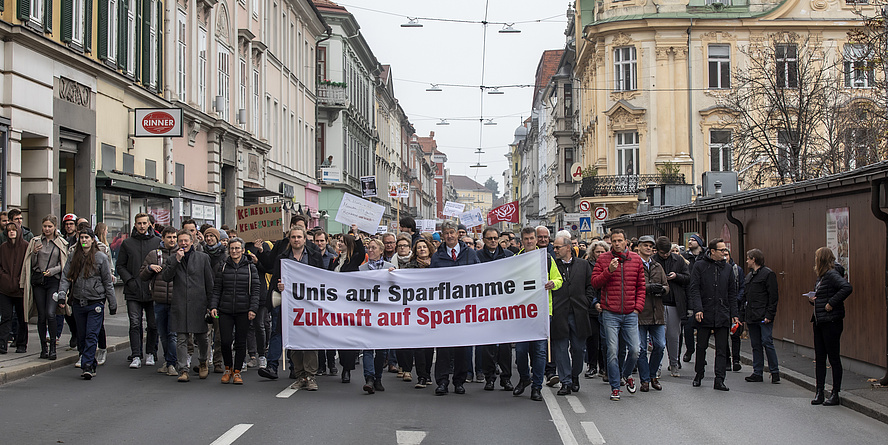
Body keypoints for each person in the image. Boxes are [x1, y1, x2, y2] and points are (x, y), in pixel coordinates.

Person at [591, 228, 645, 401]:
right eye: (613, 241)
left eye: (620, 241)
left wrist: (637, 308)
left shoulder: (636, 259)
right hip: (610, 313)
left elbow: (641, 286)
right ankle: (615, 387)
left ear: (626, 242)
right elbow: (595, 283)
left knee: (636, 350)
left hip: (630, 313)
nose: (616, 244)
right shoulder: (603, 259)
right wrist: (609, 270)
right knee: (612, 351)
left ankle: (626, 374)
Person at [57, 229, 117, 379]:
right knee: (82, 335)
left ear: (92, 240)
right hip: (78, 301)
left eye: (87, 237)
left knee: (91, 334)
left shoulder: (101, 257)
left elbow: (107, 282)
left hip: (95, 301)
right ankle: (87, 359)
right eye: (81, 237)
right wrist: (62, 295)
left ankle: (88, 365)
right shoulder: (73, 257)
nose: (84, 240)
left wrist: (112, 302)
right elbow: (65, 277)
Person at [430, 220, 480, 396]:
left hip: (464, 310)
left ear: (458, 234)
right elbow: (431, 282)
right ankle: (442, 382)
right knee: (443, 348)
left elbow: (479, 278)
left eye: (452, 232)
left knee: (462, 348)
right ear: (442, 235)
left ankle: (459, 381)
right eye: (446, 233)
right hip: (444, 311)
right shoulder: (437, 256)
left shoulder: (470, 254)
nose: (450, 236)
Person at [511, 227, 561, 401]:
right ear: (521, 241)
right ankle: (525, 378)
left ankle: (537, 387)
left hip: (541, 311)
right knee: (521, 351)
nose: (530, 241)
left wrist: (552, 283)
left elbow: (559, 279)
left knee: (540, 352)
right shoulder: (515, 260)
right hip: (521, 313)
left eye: (532, 238)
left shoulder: (546, 258)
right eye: (526, 239)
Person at [272, 227, 324, 390]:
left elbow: (322, 278)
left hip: (309, 305)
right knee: (294, 343)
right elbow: (274, 279)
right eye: (293, 237)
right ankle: (300, 375)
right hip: (290, 307)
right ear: (290, 240)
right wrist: (279, 286)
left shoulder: (314, 256)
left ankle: (310, 376)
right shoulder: (282, 258)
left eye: (299, 237)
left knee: (309, 342)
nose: (296, 240)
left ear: (304, 239)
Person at [161, 229, 215, 382]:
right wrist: (176, 261)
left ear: (192, 242)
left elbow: (209, 282)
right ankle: (183, 369)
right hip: (180, 303)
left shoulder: (203, 258)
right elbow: (166, 277)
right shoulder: (173, 259)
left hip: (199, 303)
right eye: (181, 241)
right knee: (182, 339)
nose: (183, 244)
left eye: (186, 241)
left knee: (202, 337)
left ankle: (203, 362)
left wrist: (211, 305)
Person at [688, 238, 739, 391]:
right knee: (701, 346)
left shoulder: (727, 268)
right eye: (722, 250)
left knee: (722, 349)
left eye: (725, 250)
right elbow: (694, 289)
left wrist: (734, 314)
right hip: (705, 312)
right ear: (712, 251)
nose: (725, 252)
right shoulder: (700, 266)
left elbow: (732, 292)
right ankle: (699, 374)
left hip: (722, 312)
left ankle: (720, 379)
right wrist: (698, 308)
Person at [210, 237, 260, 385]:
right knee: (225, 341)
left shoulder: (251, 268)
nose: (234, 251)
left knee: (240, 342)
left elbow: (256, 290)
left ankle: (237, 371)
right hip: (225, 310)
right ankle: (228, 368)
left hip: (244, 310)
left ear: (243, 250)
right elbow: (217, 288)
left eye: (237, 248)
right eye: (232, 248)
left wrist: (253, 308)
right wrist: (213, 306)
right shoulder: (223, 266)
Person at [551, 231, 594, 395]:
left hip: (579, 313)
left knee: (578, 349)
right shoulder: (553, 265)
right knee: (561, 349)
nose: (555, 250)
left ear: (568, 248)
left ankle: (575, 375)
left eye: (557, 247)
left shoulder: (583, 265)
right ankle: (566, 381)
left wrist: (586, 302)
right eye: (554, 247)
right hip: (559, 313)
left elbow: (590, 286)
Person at [21, 215, 69, 360]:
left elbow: (65, 263)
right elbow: (30, 263)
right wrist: (35, 253)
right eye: (45, 226)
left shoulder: (61, 242)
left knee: (50, 313)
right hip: (39, 281)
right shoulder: (35, 241)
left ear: (55, 227)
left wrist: (53, 271)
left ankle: (53, 347)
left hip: (53, 281)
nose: (47, 229)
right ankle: (44, 348)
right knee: (41, 316)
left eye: (50, 226)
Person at [808, 247, 852, 406]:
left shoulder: (832, 274)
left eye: (816, 257)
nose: (815, 260)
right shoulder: (821, 276)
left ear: (822, 259)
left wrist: (831, 303)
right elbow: (821, 293)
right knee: (820, 358)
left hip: (831, 321)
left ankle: (835, 393)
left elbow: (847, 288)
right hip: (819, 320)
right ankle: (819, 391)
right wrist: (813, 299)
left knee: (833, 357)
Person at [116, 213, 159, 369]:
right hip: (133, 290)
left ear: (149, 224)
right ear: (135, 224)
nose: (141, 226)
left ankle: (150, 353)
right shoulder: (127, 243)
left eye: (144, 223)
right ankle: (136, 355)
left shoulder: (157, 242)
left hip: (152, 290)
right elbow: (120, 265)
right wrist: (129, 280)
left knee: (153, 324)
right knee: (135, 324)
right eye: (139, 223)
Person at [477, 227, 515, 391]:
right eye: (489, 238)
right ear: (484, 239)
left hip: (504, 306)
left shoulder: (508, 256)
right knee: (487, 346)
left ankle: (506, 378)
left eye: (495, 238)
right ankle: (489, 377)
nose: (493, 241)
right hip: (485, 306)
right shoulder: (476, 257)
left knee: (505, 346)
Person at [325, 230, 365, 384]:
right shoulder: (334, 262)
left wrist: (356, 235)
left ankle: (347, 369)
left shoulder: (353, 260)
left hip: (349, 305)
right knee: (334, 336)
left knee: (346, 338)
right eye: (339, 240)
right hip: (335, 305)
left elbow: (361, 252)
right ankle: (332, 364)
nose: (339, 243)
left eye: (342, 241)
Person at [139, 226, 180, 376]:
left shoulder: (180, 254)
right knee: (162, 333)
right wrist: (149, 268)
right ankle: (168, 361)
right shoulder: (154, 254)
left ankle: (172, 363)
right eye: (169, 237)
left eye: (174, 237)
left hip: (176, 300)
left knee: (172, 334)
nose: (172, 240)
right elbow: (142, 275)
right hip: (159, 299)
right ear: (162, 238)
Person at [357, 238, 396, 393]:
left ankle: (378, 378)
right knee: (367, 347)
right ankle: (369, 378)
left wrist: (394, 276)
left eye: (373, 248)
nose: (370, 250)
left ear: (381, 251)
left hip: (384, 314)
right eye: (368, 248)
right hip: (367, 312)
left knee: (382, 350)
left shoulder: (390, 268)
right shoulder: (361, 269)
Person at [635, 236, 669, 392]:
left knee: (660, 345)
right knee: (641, 348)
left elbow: (666, 286)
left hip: (657, 312)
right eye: (645, 246)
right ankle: (645, 379)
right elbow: (631, 286)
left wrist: (662, 289)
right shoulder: (634, 264)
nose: (648, 248)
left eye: (651, 246)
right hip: (641, 312)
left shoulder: (657, 266)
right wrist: (648, 288)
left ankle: (652, 374)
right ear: (639, 247)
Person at [742, 248, 781, 384]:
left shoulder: (768, 274)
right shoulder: (750, 276)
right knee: (756, 344)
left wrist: (770, 314)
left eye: (748, 258)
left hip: (763, 315)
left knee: (766, 342)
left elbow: (773, 296)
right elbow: (746, 297)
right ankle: (757, 372)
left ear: (754, 259)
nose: (747, 261)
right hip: (752, 315)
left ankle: (774, 371)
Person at [654, 236, 690, 378]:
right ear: (658, 251)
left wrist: (677, 276)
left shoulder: (678, 260)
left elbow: (688, 278)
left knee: (674, 336)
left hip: (675, 302)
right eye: (663, 253)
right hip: (658, 302)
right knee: (659, 338)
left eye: (668, 252)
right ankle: (657, 366)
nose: (666, 255)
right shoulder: (653, 261)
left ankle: (674, 364)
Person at [402, 238, 435, 389]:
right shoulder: (410, 267)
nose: (422, 249)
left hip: (434, 310)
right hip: (416, 310)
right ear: (415, 251)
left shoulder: (437, 266)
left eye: (424, 247)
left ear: (429, 249)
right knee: (419, 346)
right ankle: (421, 376)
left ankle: (427, 373)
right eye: (419, 247)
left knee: (429, 346)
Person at [202, 227, 228, 373]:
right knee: (205, 333)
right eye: (207, 236)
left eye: (212, 236)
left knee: (219, 334)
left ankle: (218, 362)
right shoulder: (201, 254)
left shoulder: (224, 256)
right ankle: (204, 361)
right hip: (204, 299)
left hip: (219, 301)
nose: (209, 239)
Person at [0, 223, 30, 353]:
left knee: (22, 317)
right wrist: (4, 277)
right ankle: (2, 344)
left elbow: (28, 265)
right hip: (5, 288)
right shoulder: (3, 247)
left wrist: (20, 280)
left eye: (14, 230)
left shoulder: (25, 246)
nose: (11, 232)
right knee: (6, 316)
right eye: (9, 230)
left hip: (20, 288)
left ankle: (22, 343)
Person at [584, 240, 608, 379]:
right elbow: (588, 286)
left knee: (604, 339)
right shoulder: (588, 265)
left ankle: (603, 366)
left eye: (602, 252)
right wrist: (593, 303)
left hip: (606, 305)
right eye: (597, 251)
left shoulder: (611, 265)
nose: (600, 254)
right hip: (591, 307)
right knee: (592, 338)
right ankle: (592, 366)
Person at [682, 234, 705, 363]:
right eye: (689, 240)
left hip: (703, 296)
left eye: (693, 240)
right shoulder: (685, 257)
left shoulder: (705, 256)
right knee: (688, 326)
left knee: (702, 327)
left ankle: (701, 355)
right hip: (690, 294)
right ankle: (690, 350)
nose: (690, 242)